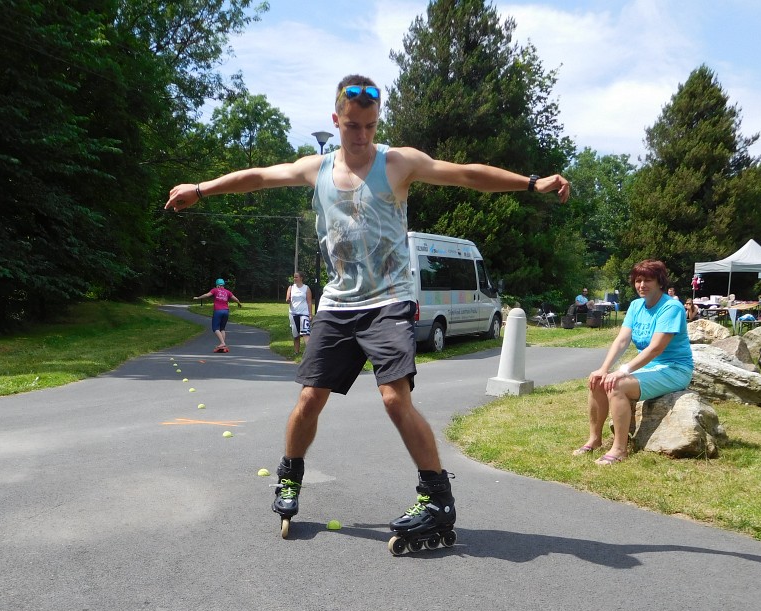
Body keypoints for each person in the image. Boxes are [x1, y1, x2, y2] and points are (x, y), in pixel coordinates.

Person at [165, 74, 571, 546]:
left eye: (370, 126)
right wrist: (201, 188)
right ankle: (290, 477)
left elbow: (466, 174)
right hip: (339, 304)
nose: (362, 136)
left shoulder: (397, 163)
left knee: (395, 398)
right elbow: (256, 178)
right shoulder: (315, 168)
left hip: (390, 300)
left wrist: (532, 182)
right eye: (352, 126)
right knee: (309, 399)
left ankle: (437, 497)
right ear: (336, 120)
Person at [572, 260, 694, 466]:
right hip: (650, 367)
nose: (642, 285)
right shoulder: (636, 306)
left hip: (675, 368)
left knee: (617, 385)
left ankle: (620, 449)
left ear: (660, 282)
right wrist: (604, 369)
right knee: (598, 380)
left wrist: (623, 370)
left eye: (648, 280)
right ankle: (595, 439)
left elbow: (656, 348)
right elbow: (622, 340)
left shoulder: (671, 307)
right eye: (638, 280)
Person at [193, 279, 242, 352]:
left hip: (218, 311)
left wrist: (198, 297)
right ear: (223, 285)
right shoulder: (227, 292)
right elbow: (235, 299)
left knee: (215, 328)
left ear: (217, 285)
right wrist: (239, 303)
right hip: (226, 311)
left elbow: (207, 295)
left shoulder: (215, 290)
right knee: (222, 328)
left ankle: (222, 343)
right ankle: (223, 345)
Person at [286, 272, 313, 356]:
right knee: (296, 335)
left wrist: (310, 314)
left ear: (301, 278)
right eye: (294, 277)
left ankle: (310, 354)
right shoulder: (291, 287)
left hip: (304, 313)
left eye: (296, 277)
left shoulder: (306, 288)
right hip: (293, 313)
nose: (294, 279)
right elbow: (287, 299)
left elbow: (309, 302)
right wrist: (288, 300)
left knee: (305, 333)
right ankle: (296, 352)